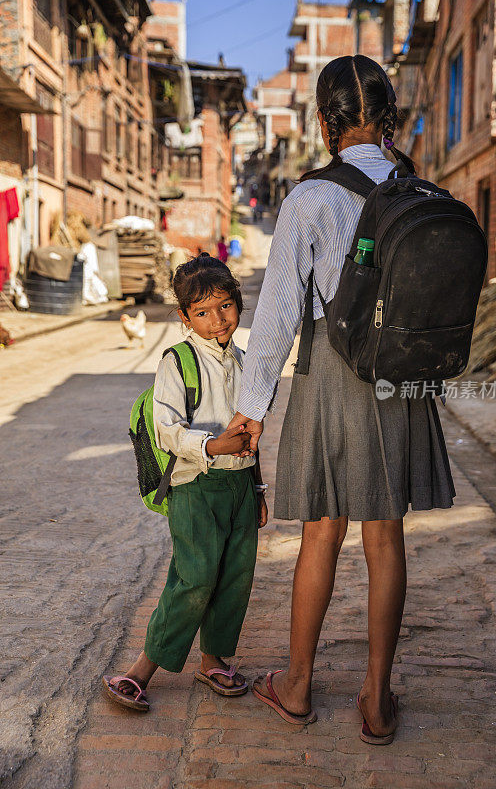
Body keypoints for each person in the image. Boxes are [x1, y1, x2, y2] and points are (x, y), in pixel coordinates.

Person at [229, 55, 455, 742]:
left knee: (320, 531)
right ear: (385, 118)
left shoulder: (309, 198)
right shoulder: (419, 190)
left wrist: (251, 410)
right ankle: (376, 699)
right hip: (398, 374)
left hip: (332, 369)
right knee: (385, 536)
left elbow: (273, 318)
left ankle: (295, 687)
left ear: (327, 125)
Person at [103, 256, 268, 711]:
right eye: (202, 312)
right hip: (196, 487)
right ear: (185, 317)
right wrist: (212, 446)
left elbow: (252, 431)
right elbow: (166, 429)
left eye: (226, 306)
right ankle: (142, 669)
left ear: (238, 305)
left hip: (238, 489)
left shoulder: (244, 360)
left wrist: (257, 490)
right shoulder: (177, 361)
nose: (217, 320)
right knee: (194, 578)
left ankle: (213, 659)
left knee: (235, 577)